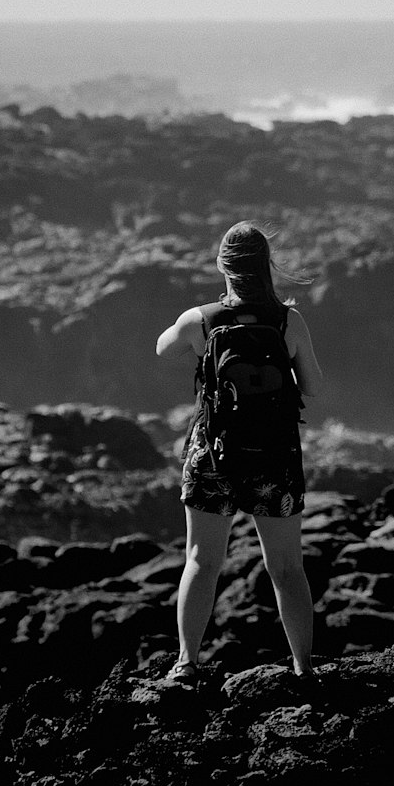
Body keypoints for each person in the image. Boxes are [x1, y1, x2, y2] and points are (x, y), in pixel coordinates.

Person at [156, 221, 324, 684]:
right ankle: (303, 669)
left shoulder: (200, 320)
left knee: (201, 560)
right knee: (287, 568)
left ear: (223, 266)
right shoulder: (290, 321)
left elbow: (161, 348)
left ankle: (187, 662)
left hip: (213, 454)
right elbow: (313, 387)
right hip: (275, 457)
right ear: (267, 267)